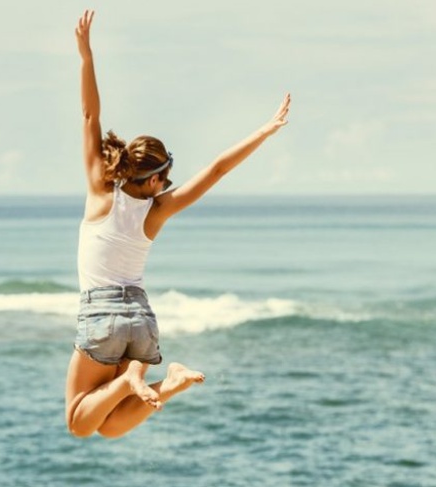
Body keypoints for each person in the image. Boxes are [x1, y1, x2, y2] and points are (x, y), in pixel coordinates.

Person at [65, 10, 291, 438]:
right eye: (164, 178)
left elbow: (89, 117)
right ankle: (167, 385)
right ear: (152, 179)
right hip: (142, 319)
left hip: (103, 313)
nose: (167, 185)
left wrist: (86, 56)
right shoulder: (158, 209)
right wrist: (265, 130)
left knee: (78, 422)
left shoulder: (100, 191)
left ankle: (133, 380)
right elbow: (217, 169)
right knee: (110, 427)